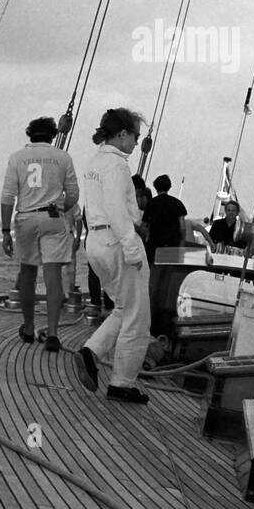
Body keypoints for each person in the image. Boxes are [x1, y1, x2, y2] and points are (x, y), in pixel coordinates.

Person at [75, 107, 151, 405]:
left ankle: (91, 353)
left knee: (122, 307)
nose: (136, 142)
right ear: (122, 135)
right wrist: (133, 248)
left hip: (95, 241)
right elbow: (118, 211)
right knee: (137, 317)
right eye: (135, 136)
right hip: (117, 243)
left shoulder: (94, 162)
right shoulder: (117, 166)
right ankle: (122, 383)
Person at [1, 117, 79, 350]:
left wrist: (6, 231)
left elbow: (7, 197)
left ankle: (27, 328)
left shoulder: (17, 158)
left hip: (26, 217)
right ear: (53, 135)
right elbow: (73, 194)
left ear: (30, 135)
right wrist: (62, 208)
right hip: (52, 217)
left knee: (28, 274)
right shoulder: (63, 158)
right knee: (52, 276)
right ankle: (53, 334)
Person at [144, 174, 187, 263]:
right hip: (172, 245)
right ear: (169, 187)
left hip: (154, 245)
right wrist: (182, 242)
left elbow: (145, 226)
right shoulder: (178, 204)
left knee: (152, 272)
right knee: (167, 272)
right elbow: (182, 227)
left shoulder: (151, 203)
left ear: (155, 187)